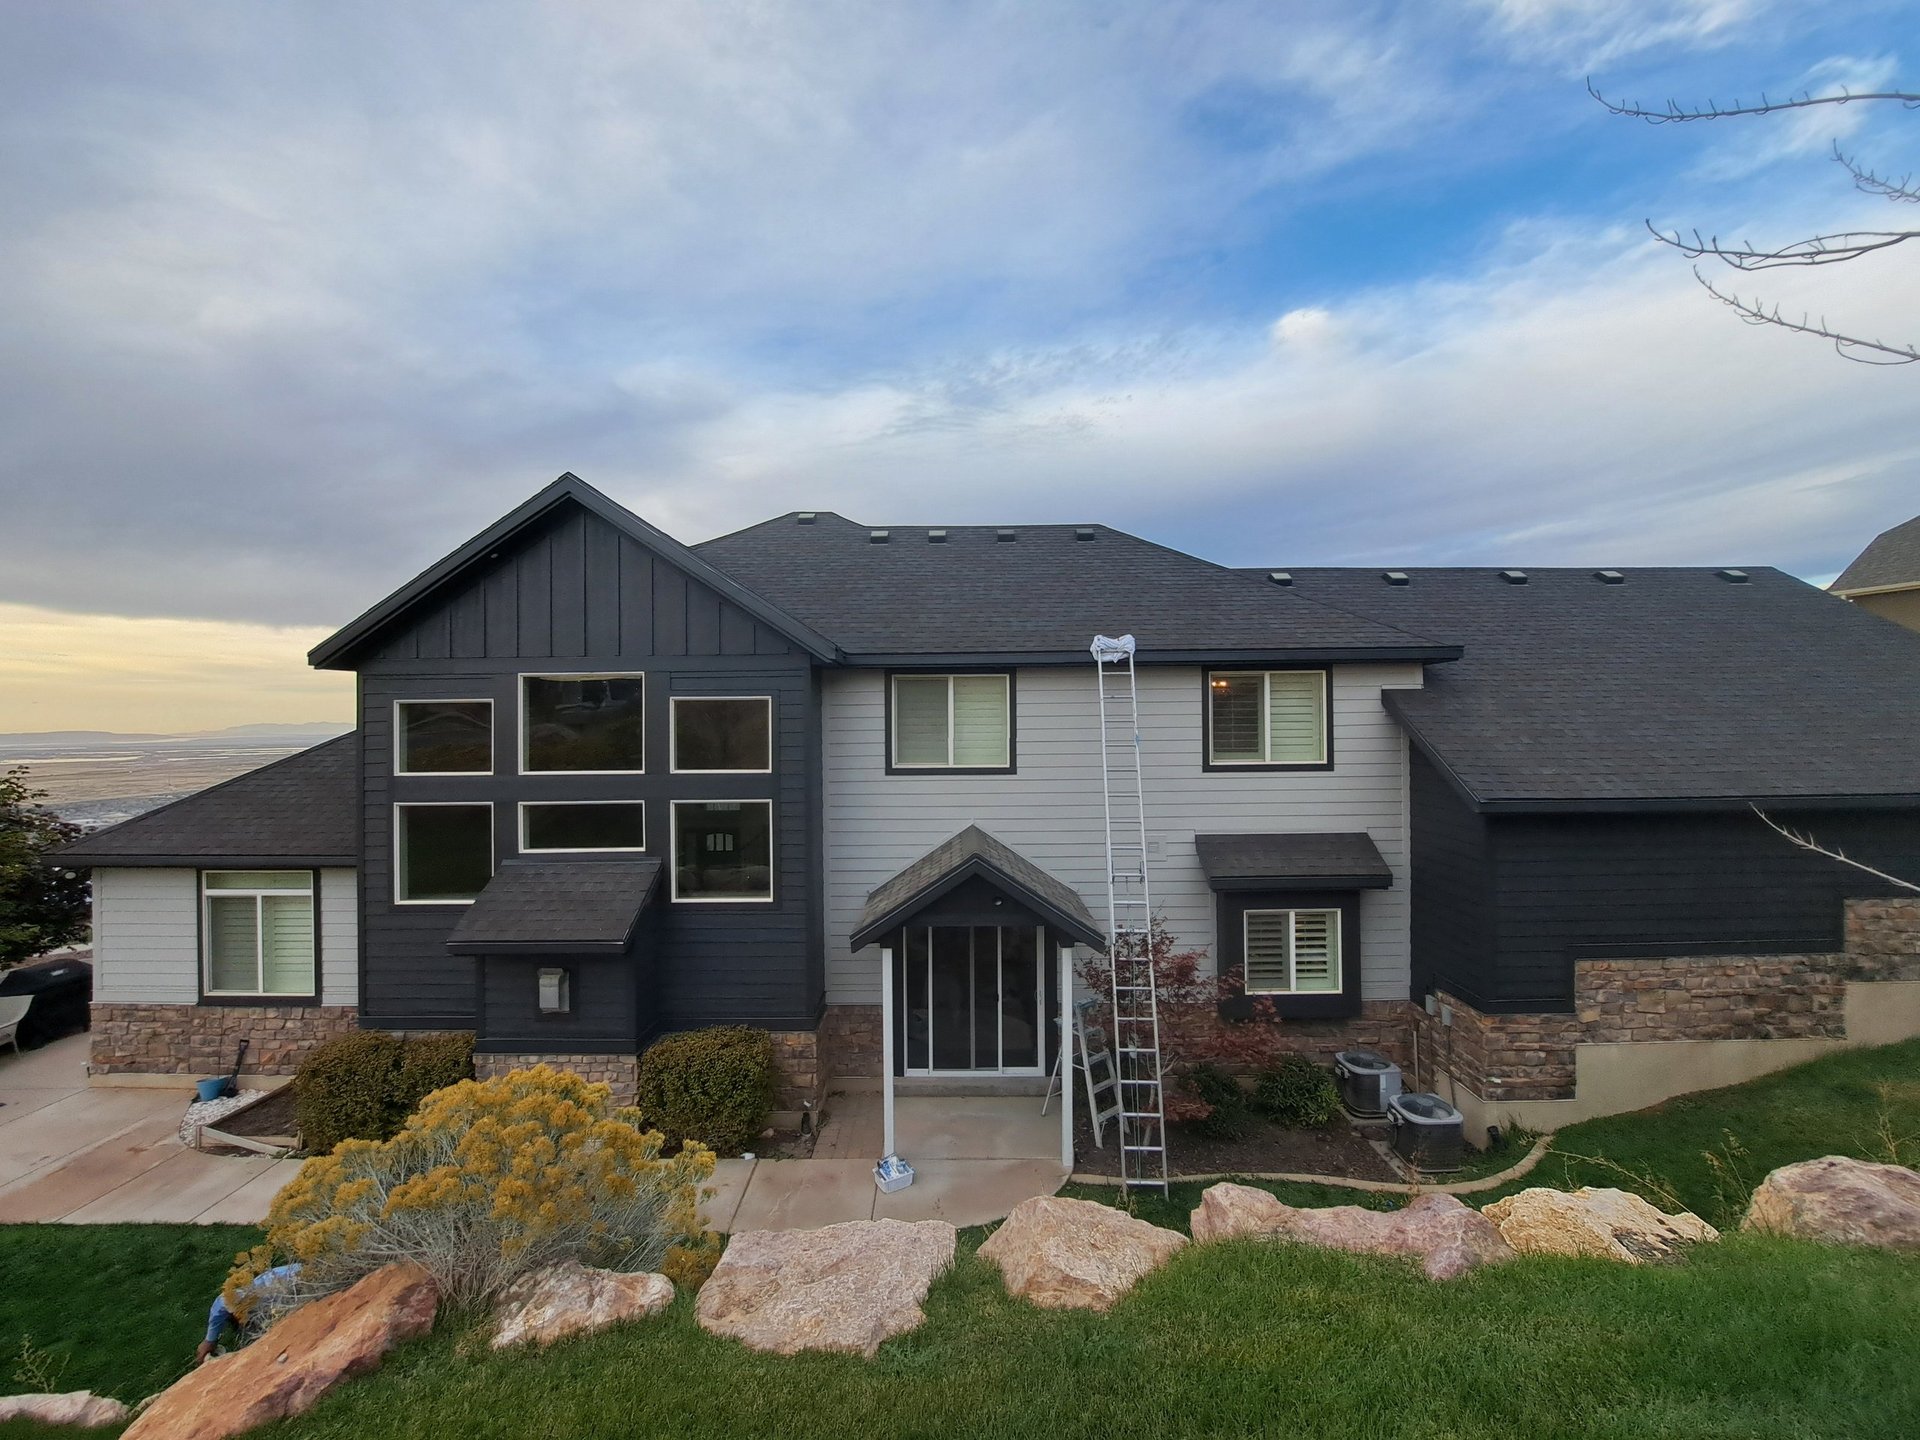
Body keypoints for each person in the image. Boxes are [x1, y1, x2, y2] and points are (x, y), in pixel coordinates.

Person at [196, 1263, 301, 1363]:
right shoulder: (257, 1294)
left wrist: (210, 1340)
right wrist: (210, 1340)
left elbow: (221, 1304)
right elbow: (221, 1304)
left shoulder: (264, 1288)